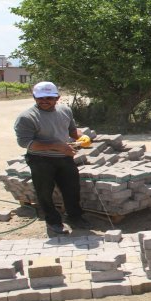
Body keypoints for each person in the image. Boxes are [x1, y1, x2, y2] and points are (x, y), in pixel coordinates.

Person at [14, 81, 92, 234]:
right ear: (34, 97)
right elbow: (25, 143)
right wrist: (56, 145)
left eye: (49, 98)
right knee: (44, 192)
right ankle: (53, 221)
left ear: (57, 97)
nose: (44, 101)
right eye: (40, 98)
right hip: (40, 160)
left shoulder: (65, 110)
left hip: (64, 157)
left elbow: (72, 131)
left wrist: (82, 137)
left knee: (72, 188)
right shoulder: (27, 117)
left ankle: (75, 217)